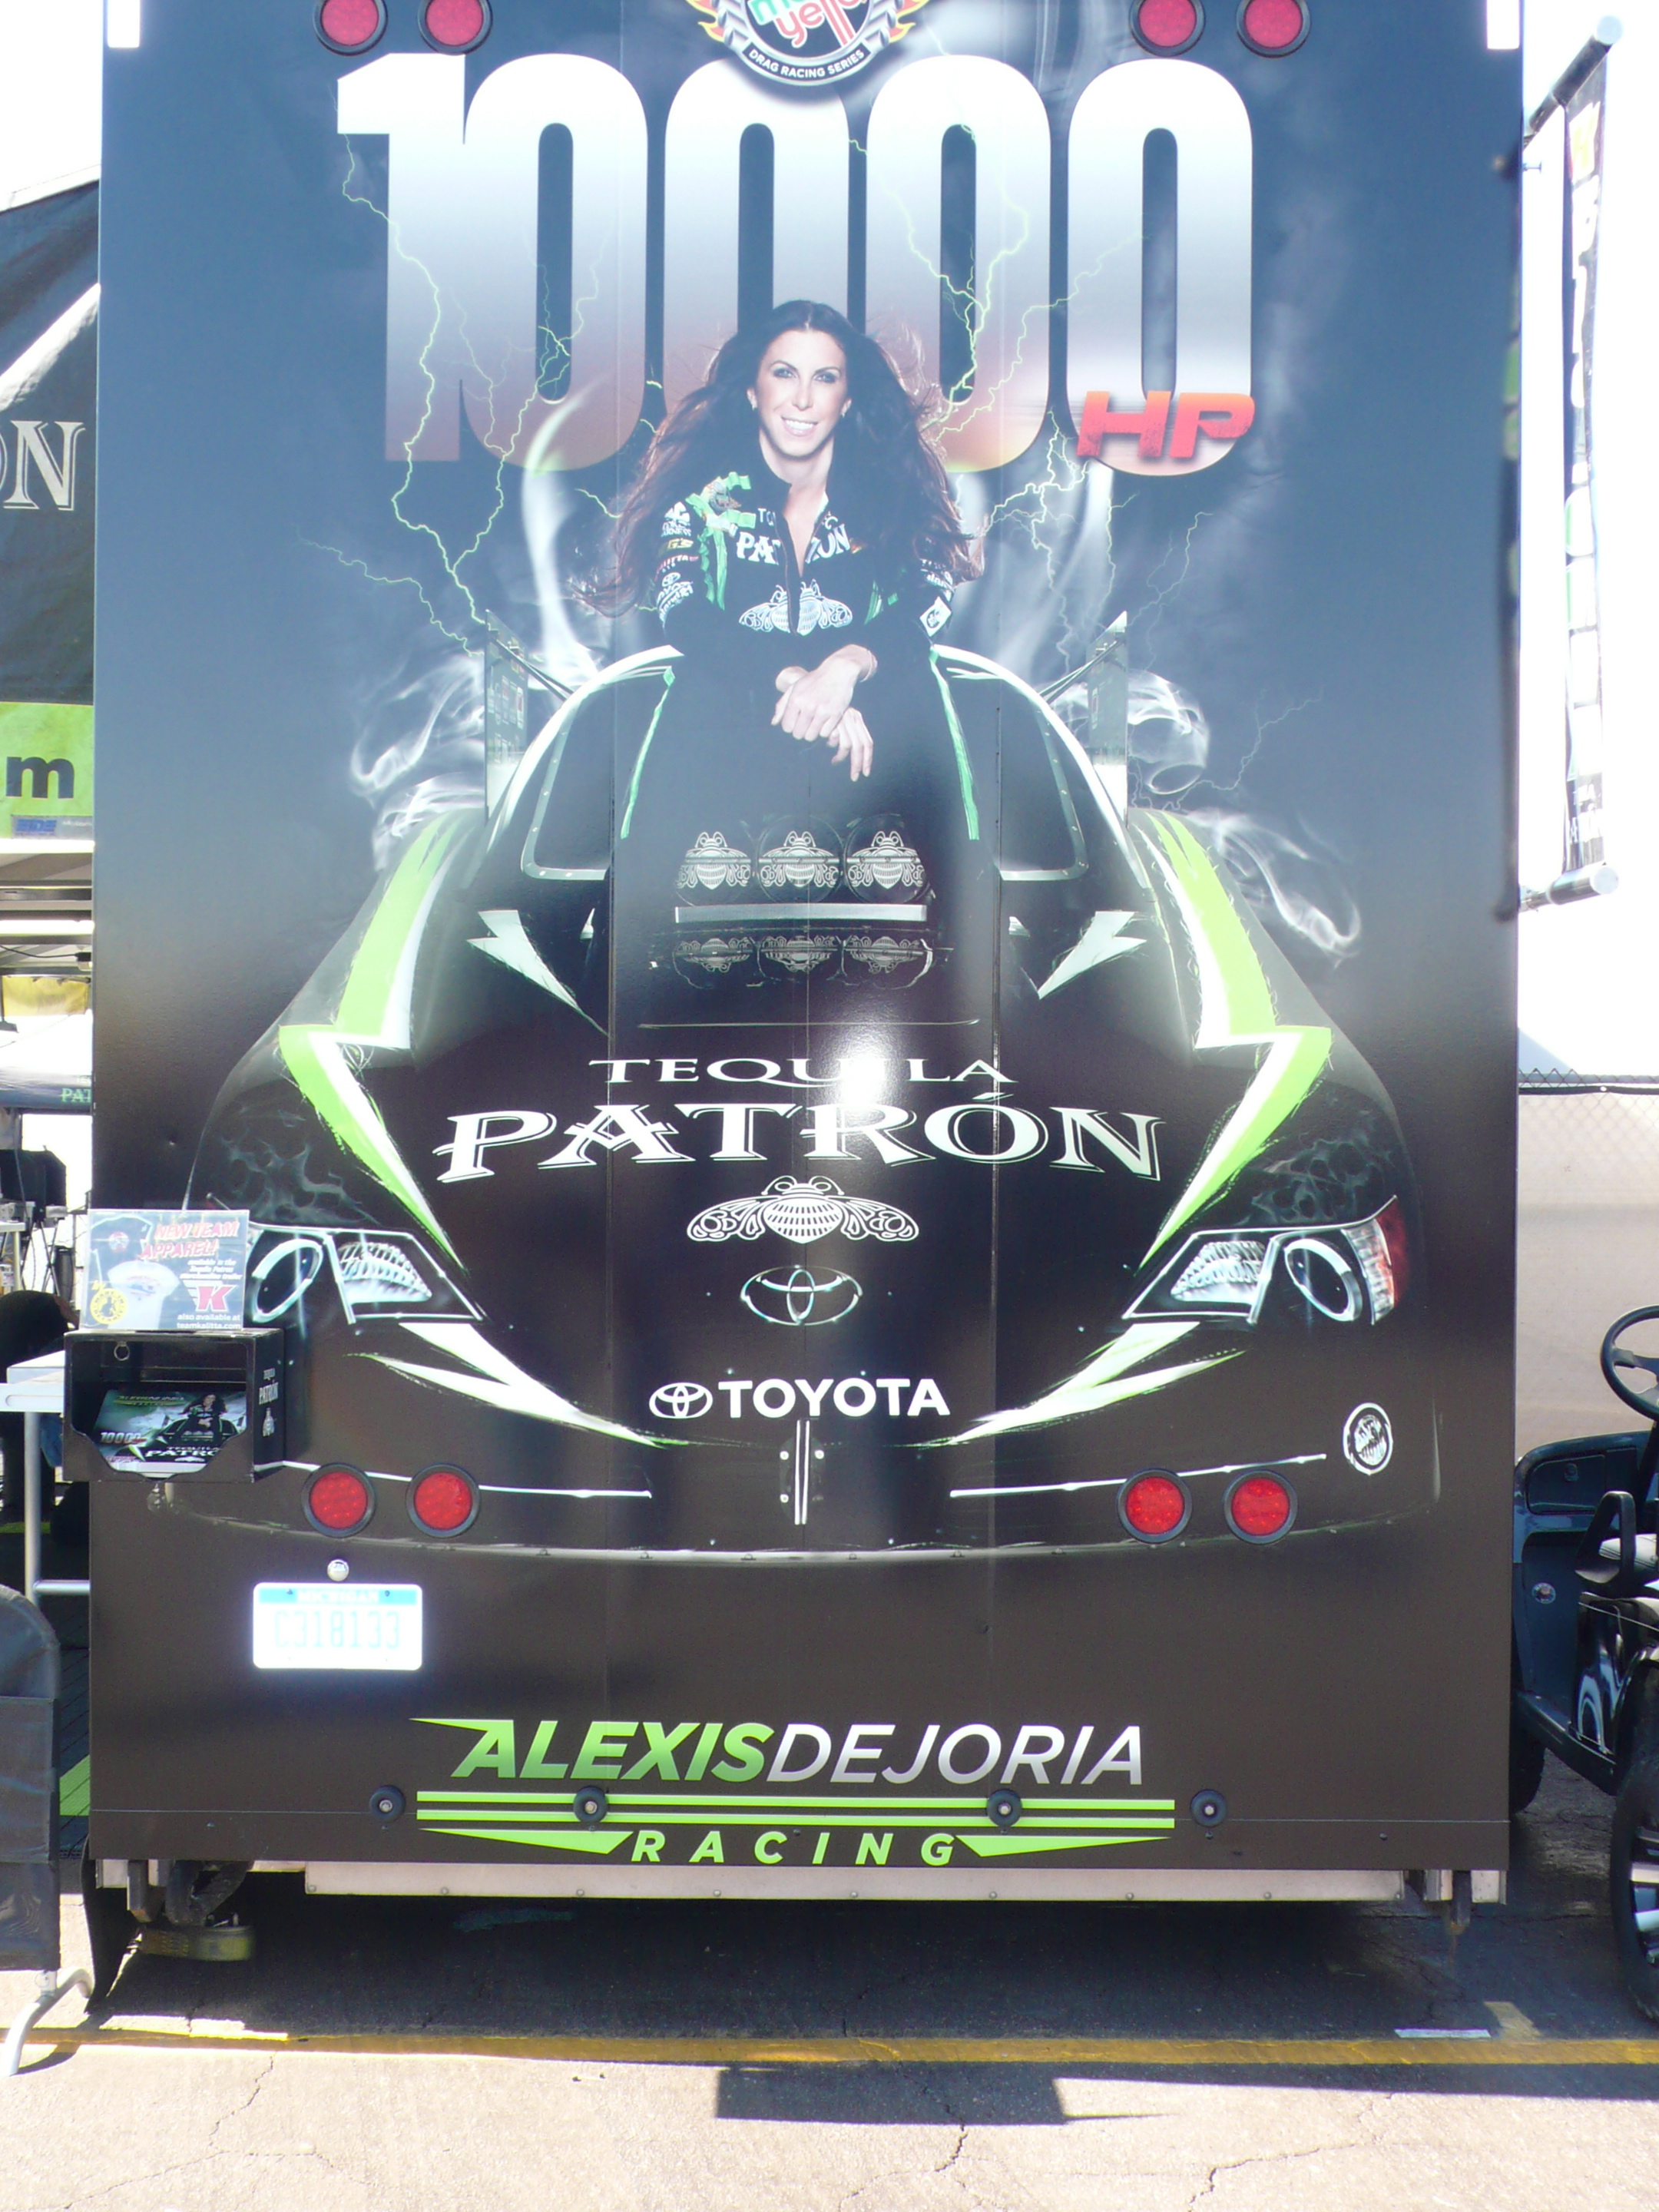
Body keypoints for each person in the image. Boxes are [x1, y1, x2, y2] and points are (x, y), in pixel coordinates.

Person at [584, 301, 982, 992]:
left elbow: (929, 601)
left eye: (824, 378)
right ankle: (613, 984)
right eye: (784, 374)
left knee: (924, 701)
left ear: (847, 399)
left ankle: (973, 971)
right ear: (752, 390)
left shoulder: (895, 499)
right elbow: (685, 616)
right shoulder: (698, 506)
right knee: (635, 875)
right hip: (730, 719)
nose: (802, 399)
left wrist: (845, 670)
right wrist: (800, 680)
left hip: (875, 727)